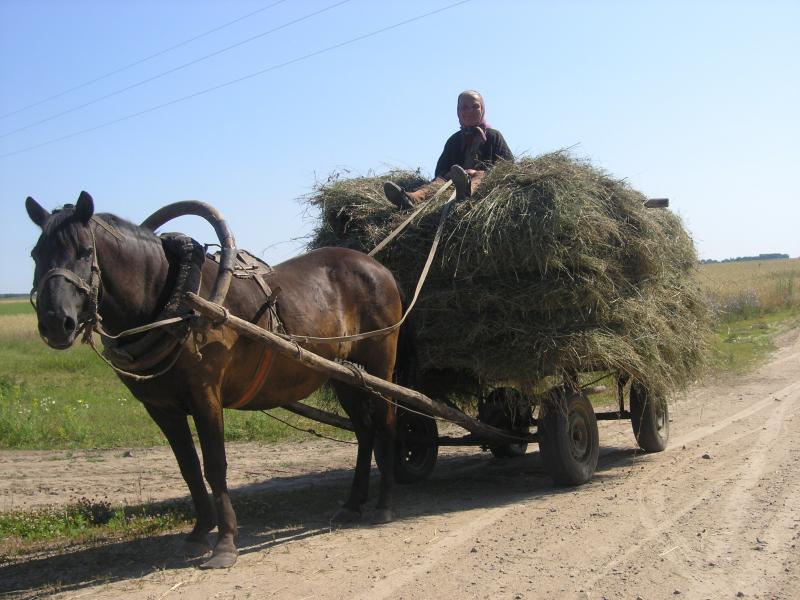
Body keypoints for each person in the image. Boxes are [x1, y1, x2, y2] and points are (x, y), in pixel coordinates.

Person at [384, 90, 513, 209]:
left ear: (482, 110)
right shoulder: (454, 140)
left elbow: (508, 166)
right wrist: (450, 174)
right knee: (438, 181)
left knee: (480, 175)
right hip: (452, 182)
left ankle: (466, 191)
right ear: (458, 112)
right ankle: (411, 198)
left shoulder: (493, 136)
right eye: (464, 107)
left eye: (475, 106)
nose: (470, 111)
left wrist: (476, 172)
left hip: (482, 181)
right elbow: (440, 170)